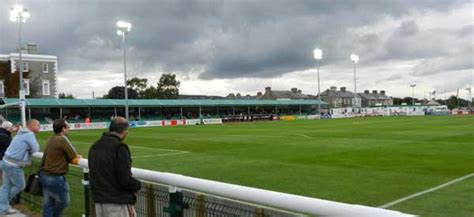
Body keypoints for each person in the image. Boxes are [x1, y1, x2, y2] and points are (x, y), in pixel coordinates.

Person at [88, 117, 141, 217]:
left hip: (99, 201)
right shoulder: (119, 147)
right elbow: (125, 178)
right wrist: (137, 185)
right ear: (125, 131)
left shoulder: (94, 146)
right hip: (117, 202)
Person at [39, 119, 81, 217]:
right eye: (68, 127)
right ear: (63, 128)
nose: (69, 129)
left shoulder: (51, 138)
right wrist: (77, 156)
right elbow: (73, 154)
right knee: (64, 201)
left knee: (48, 203)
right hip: (54, 177)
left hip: (44, 174)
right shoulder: (62, 139)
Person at [0, 119, 41, 215]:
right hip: (13, 164)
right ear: (32, 126)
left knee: (6, 186)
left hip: (6, 161)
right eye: (38, 125)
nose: (39, 127)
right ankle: (3, 203)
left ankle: (3, 208)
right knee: (20, 186)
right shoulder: (29, 134)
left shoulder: (20, 133)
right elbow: (35, 149)